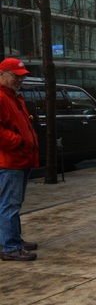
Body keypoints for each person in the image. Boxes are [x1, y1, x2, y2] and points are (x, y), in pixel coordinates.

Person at [0, 58, 39, 261]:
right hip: (11, 160)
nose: (19, 79)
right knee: (10, 204)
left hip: (19, 159)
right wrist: (19, 141)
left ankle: (12, 239)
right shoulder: (2, 97)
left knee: (12, 203)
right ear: (3, 75)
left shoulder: (14, 97)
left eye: (21, 76)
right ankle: (11, 246)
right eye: (15, 75)